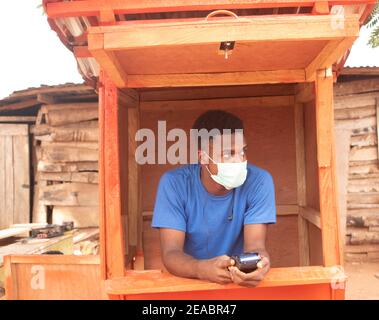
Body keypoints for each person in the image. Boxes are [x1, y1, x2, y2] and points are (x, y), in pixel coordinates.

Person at [152, 110, 276, 287]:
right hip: (189, 283)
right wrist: (201, 269)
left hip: (239, 284)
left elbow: (256, 246)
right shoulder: (174, 184)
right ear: (203, 157)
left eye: (242, 152)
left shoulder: (259, 181)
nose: (239, 161)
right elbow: (171, 253)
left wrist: (260, 264)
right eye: (228, 154)